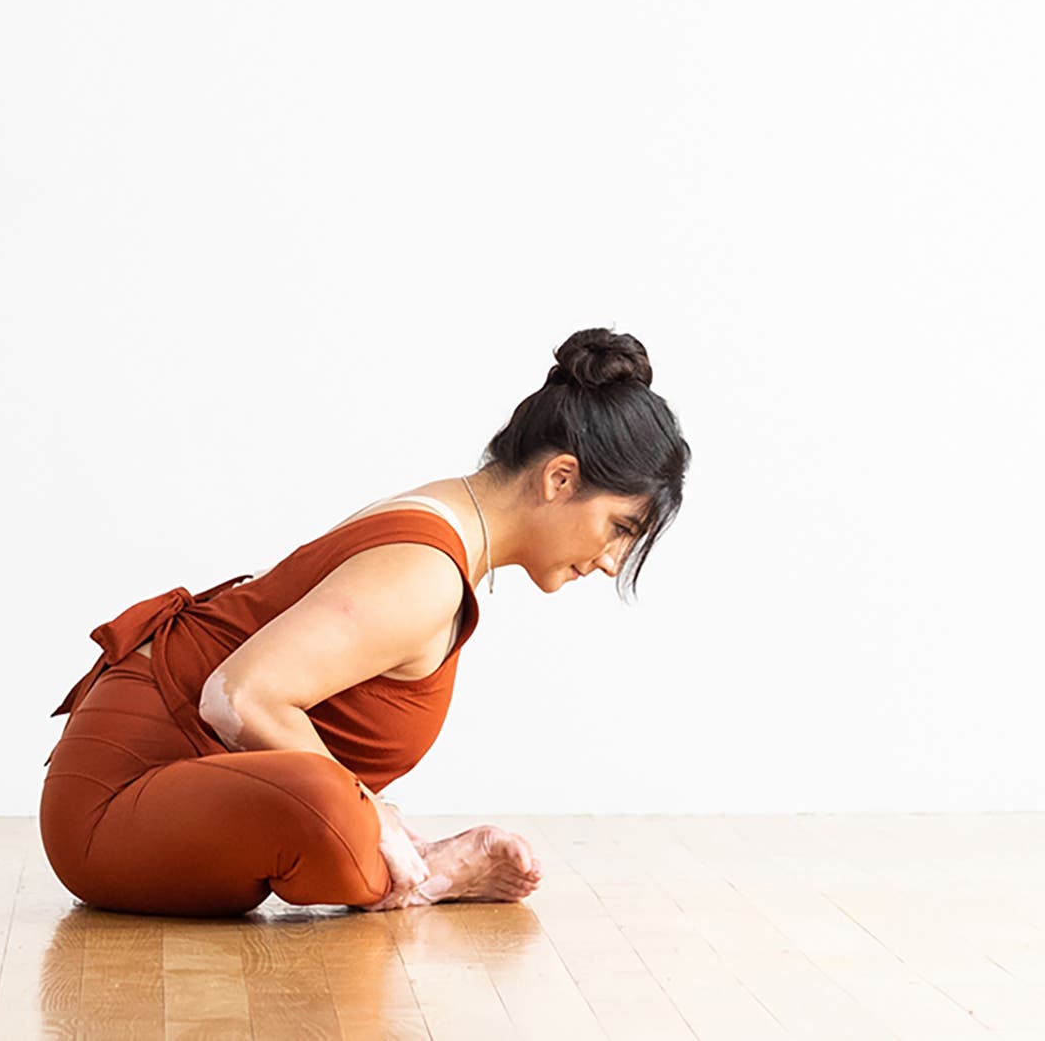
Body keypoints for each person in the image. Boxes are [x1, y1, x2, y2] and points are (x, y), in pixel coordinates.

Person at [38, 326, 690, 917]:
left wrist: (369, 811)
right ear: (559, 477)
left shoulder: (443, 526)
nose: (611, 563)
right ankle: (426, 871)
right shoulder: (427, 571)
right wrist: (370, 813)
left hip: (171, 787)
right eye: (619, 529)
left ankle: (400, 852)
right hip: (114, 805)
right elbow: (240, 695)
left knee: (340, 810)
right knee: (332, 814)